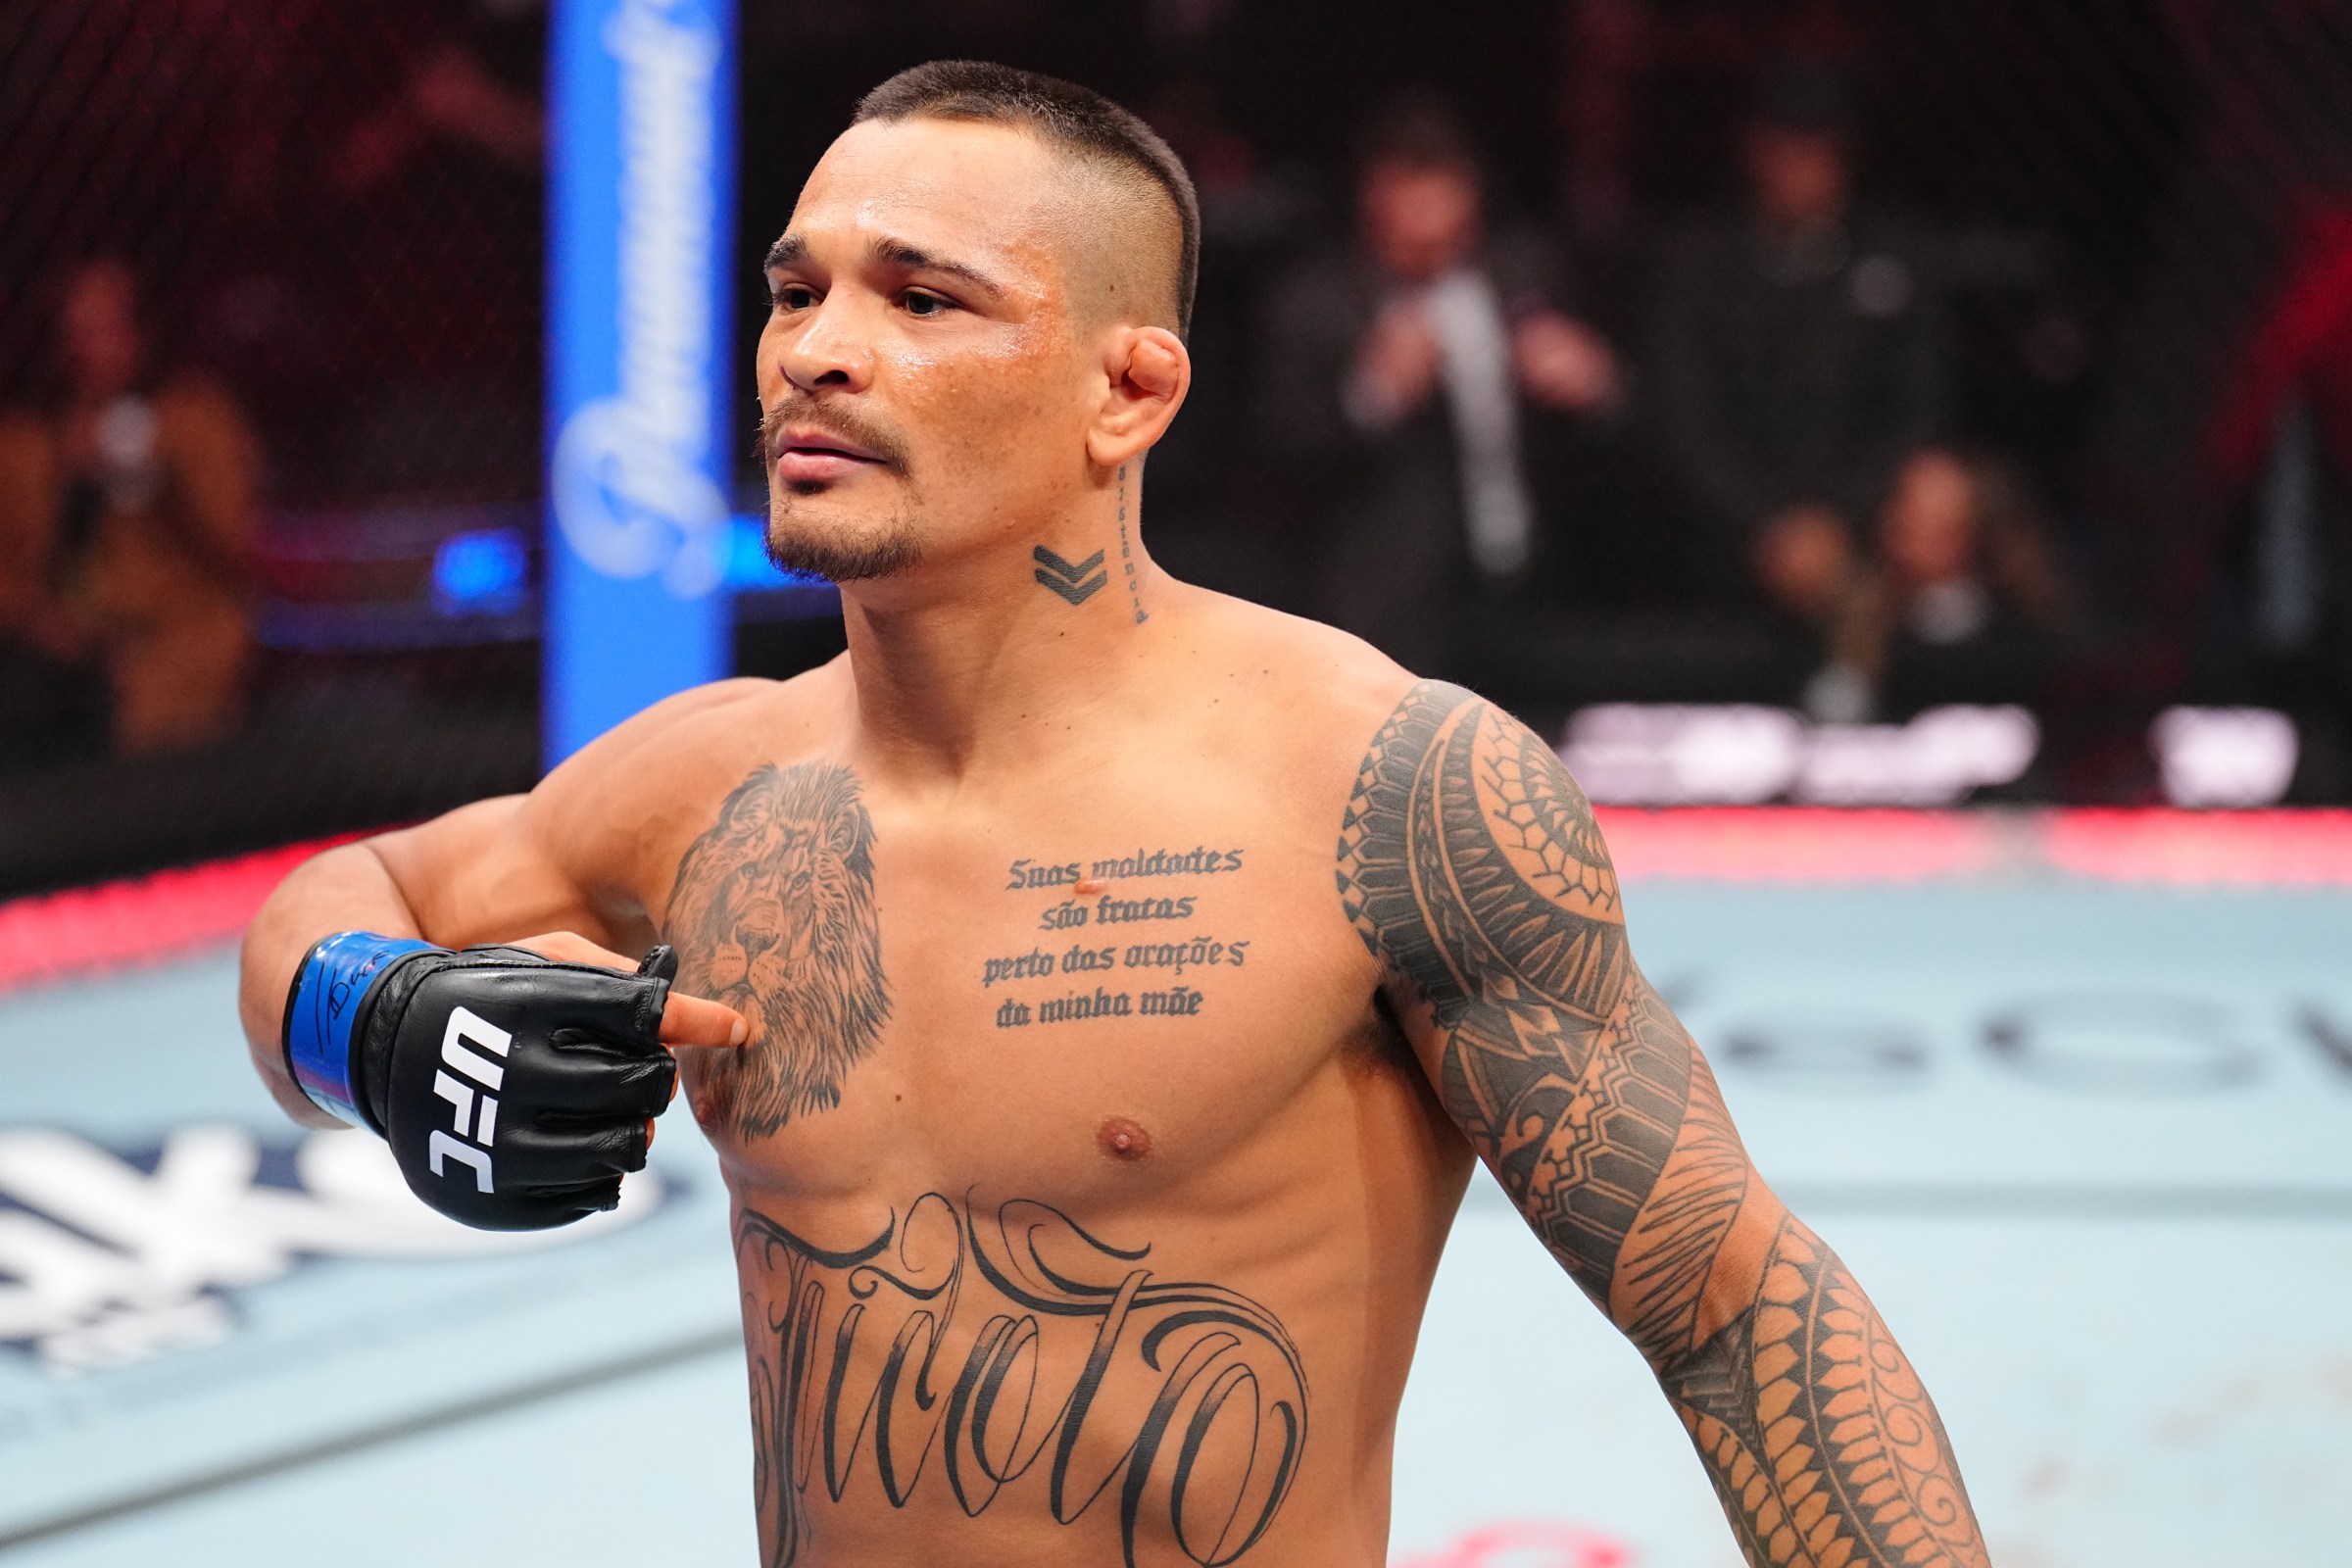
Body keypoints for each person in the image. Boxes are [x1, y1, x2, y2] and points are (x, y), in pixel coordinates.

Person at [239, 63, 1988, 1568]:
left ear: (1127, 391)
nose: (818, 354)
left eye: (924, 301)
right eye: (795, 291)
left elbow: (1738, 1317)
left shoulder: (1378, 789)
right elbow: (347, 895)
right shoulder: (709, 783)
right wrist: (373, 1019)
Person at [1259, 98, 1621, 673]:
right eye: (1412, 203)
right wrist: (1372, 395)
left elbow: (1618, 416)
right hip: (1387, 608)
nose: (1430, 226)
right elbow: (1279, 461)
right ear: (1373, 202)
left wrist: (1597, 383)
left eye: (1444, 201)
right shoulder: (1318, 302)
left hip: (1539, 587)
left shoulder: (1529, 274)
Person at [1648, 58, 1946, 631]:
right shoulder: (1700, 264)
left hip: (1861, 530)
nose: (1804, 164)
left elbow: (1919, 408)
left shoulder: (1893, 256)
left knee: (1938, 490)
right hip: (1726, 537)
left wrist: (1837, 519)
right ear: (1755, 150)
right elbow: (1683, 420)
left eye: (1821, 146)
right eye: (1789, 144)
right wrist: (1766, 524)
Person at [0, 259, 261, 755]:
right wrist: (43, 626)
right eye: (71, 332)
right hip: (53, 651)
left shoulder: (195, 423)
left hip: (171, 640)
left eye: (102, 329)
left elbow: (234, 553)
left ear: (140, 333)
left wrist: (157, 477)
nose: (83, 349)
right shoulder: (22, 443)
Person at [1822, 447, 2071, 720]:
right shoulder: (1855, 623)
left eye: (1932, 507)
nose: (1904, 521)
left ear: (1977, 528)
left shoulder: (2024, 643)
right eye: (1903, 502)